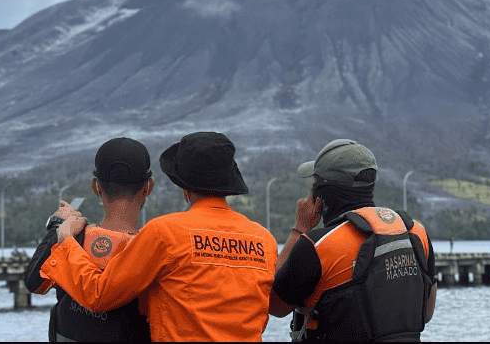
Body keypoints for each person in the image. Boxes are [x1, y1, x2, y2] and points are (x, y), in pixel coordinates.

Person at [40, 132, 278, 341]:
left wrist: (66, 241)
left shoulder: (165, 232)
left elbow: (98, 295)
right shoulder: (264, 240)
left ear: (184, 188)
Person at [269, 139, 437, 342]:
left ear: (320, 192)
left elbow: (274, 305)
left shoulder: (317, 245)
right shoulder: (416, 233)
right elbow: (426, 313)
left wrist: (299, 229)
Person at [24, 137, 154, 342]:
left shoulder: (76, 238)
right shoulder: (153, 249)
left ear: (96, 187)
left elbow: (34, 281)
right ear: (148, 187)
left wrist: (58, 228)